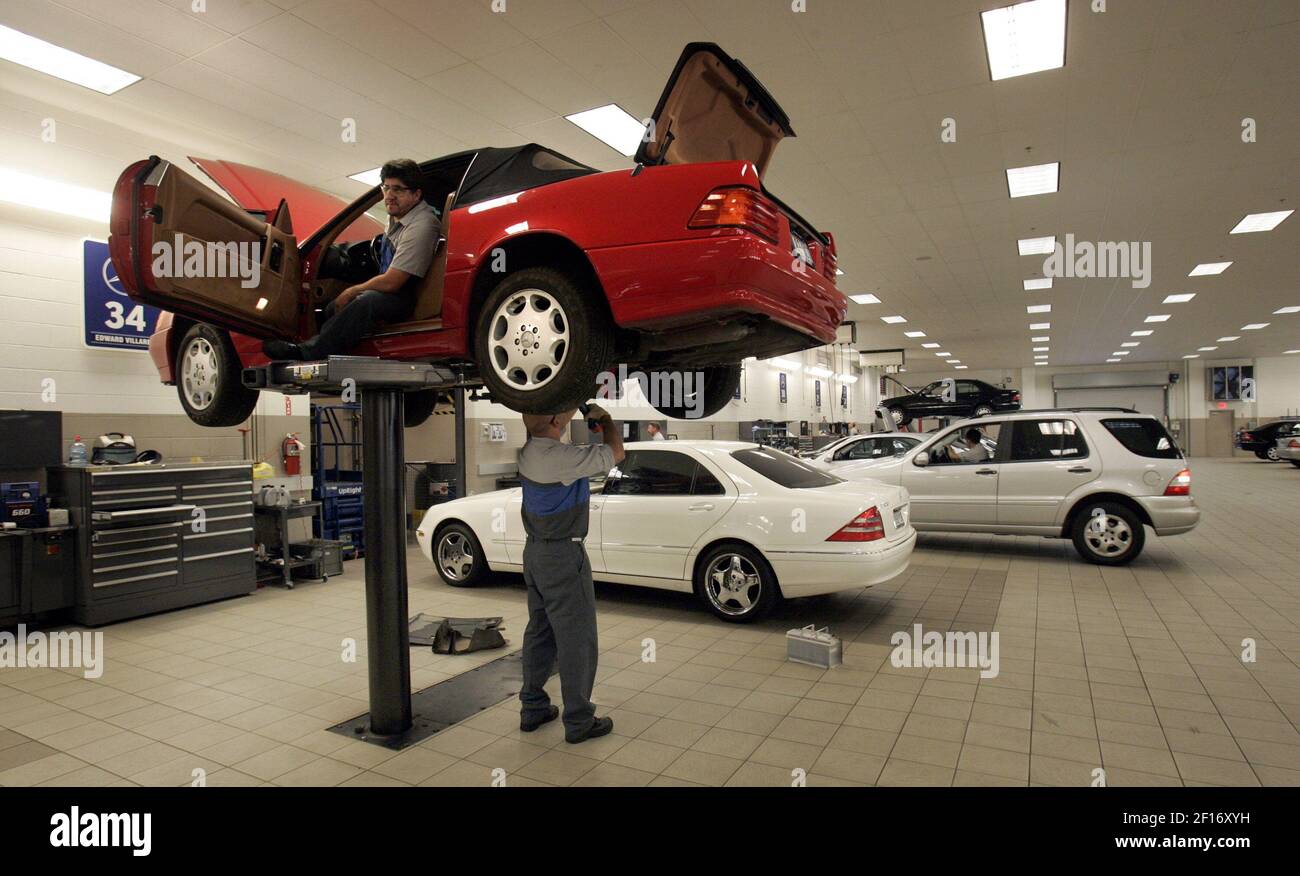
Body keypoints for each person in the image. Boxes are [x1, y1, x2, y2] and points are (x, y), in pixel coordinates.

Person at [516, 405, 625, 744]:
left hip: (534, 553)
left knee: (541, 630)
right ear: (554, 420)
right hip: (563, 555)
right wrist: (605, 421)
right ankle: (579, 721)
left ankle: (532, 707)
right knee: (577, 638)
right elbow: (617, 452)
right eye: (562, 412)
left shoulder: (528, 452)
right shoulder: (561, 458)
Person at [262, 159, 440, 360]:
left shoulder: (422, 224)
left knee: (366, 301)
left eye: (398, 189)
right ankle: (332, 352)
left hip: (409, 295)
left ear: (416, 194)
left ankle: (309, 352)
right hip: (395, 290)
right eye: (386, 188)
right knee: (332, 307)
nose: (389, 196)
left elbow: (394, 281)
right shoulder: (398, 217)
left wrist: (352, 290)